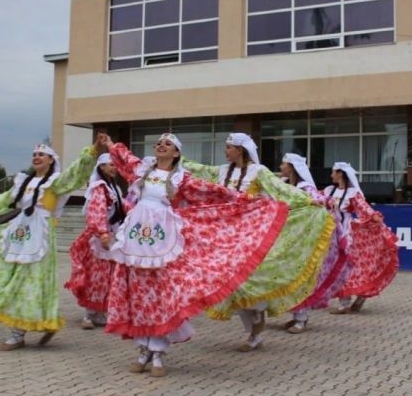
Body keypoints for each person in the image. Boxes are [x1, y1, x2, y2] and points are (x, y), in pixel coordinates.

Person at [101, 133, 287, 376]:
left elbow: (214, 192)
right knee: (138, 293)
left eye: (167, 144)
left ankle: (157, 352)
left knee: (160, 294)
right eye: (158, 142)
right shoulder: (142, 170)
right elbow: (125, 157)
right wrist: (108, 144)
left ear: (176, 153)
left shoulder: (182, 179)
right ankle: (142, 350)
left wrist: (248, 200)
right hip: (136, 238)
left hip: (165, 238)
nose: (160, 145)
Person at [0, 135, 106, 350]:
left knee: (34, 281)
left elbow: (74, 174)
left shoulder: (55, 183)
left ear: (51, 160)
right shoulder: (24, 182)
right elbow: (2, 201)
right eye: (34, 154)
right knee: (16, 278)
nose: (37, 157)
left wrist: (92, 151)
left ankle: (19, 332)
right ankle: (37, 325)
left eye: (42, 154)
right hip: (19, 233)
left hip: (40, 235)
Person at [184, 133, 333, 351]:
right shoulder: (222, 171)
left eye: (228, 147)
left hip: (251, 234)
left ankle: (255, 331)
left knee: (248, 281)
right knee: (230, 282)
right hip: (226, 235)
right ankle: (254, 322)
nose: (225, 151)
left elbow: (282, 191)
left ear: (240, 150)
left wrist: (310, 200)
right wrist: (177, 159)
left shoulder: (259, 172)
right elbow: (200, 170)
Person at [280, 153, 352, 334]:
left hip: (303, 239)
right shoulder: (285, 184)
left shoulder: (305, 187)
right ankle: (295, 314)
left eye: (283, 164)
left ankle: (301, 318)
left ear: (292, 167)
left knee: (301, 277)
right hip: (289, 237)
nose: (281, 167)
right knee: (289, 277)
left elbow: (320, 200)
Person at [325, 162, 399, 315]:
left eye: (333, 172)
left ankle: (345, 302)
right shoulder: (328, 190)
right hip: (330, 231)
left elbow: (363, 208)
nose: (331, 175)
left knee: (344, 265)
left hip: (345, 232)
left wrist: (374, 217)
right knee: (333, 265)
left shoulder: (352, 193)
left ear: (340, 174)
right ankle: (350, 299)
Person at [65, 153, 124, 329]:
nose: (113, 168)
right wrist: (102, 233)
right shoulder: (99, 187)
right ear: (101, 167)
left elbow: (123, 208)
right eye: (110, 165)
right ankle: (88, 315)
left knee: (108, 276)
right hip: (99, 238)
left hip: (112, 235)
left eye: (115, 165)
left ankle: (100, 313)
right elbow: (96, 211)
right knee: (96, 276)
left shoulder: (115, 189)